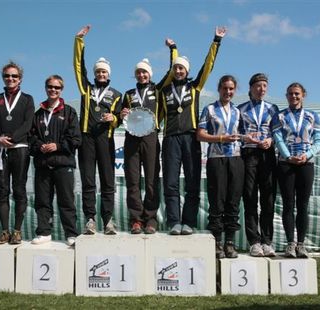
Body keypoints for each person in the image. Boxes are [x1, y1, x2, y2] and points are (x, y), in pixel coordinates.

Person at [159, 26, 227, 235]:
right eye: (176, 68)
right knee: (170, 183)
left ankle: (188, 222)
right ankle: (173, 222)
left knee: (192, 182)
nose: (178, 71)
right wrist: (173, 50)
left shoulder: (195, 87)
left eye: (182, 69)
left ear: (187, 71)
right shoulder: (164, 90)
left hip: (190, 138)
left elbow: (208, 66)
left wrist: (216, 41)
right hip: (170, 138)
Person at [119, 43, 176, 234]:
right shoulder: (128, 94)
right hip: (132, 139)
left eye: (145, 73)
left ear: (150, 74)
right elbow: (121, 115)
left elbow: (170, 72)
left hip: (151, 137)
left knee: (152, 180)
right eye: (139, 73)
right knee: (133, 180)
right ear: (135, 75)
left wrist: (172, 49)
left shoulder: (158, 91)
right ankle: (136, 219)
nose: (142, 75)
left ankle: (151, 218)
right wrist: (122, 113)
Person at [74, 25, 122, 235]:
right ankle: (90, 219)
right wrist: (79, 41)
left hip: (106, 139)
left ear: (108, 74)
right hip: (86, 139)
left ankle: (109, 220)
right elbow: (78, 67)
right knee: (88, 181)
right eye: (98, 71)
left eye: (104, 71)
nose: (101, 74)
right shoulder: (86, 88)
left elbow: (121, 118)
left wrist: (114, 118)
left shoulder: (117, 94)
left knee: (107, 182)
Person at [272, 82, 320, 258]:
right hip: (286, 164)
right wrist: (288, 156)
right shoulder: (279, 116)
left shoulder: (312, 116)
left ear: (303, 95)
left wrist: (307, 155)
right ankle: (290, 244)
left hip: (306, 164)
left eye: (296, 94)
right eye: (290, 94)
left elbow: (319, 140)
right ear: (286, 96)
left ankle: (301, 244)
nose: (293, 97)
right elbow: (278, 139)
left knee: (303, 205)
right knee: (288, 204)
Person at [0, 61, 35, 245]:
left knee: (19, 190)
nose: (11, 79)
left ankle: (17, 231)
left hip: (19, 148)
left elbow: (28, 123)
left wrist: (12, 138)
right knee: (2, 190)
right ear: (3, 78)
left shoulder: (27, 99)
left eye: (14, 76)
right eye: (7, 76)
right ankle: (4, 231)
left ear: (20, 78)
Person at [30, 75, 81, 246]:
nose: (53, 90)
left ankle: (71, 233)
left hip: (63, 163)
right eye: (50, 87)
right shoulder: (37, 114)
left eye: (57, 88)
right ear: (45, 88)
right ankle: (44, 232)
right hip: (43, 164)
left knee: (66, 201)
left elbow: (75, 139)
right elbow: (31, 138)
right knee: (42, 201)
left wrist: (57, 146)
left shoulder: (69, 112)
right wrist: (39, 146)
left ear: (61, 90)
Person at [197, 75, 244, 258]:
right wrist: (221, 138)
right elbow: (200, 135)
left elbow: (241, 135)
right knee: (217, 201)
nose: (228, 92)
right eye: (225, 88)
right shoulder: (209, 109)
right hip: (216, 158)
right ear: (219, 89)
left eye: (231, 89)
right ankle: (216, 242)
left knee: (233, 201)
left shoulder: (237, 111)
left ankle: (230, 242)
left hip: (235, 158)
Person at [237, 73, 279, 257]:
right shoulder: (240, 109)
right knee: (250, 198)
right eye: (258, 86)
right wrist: (247, 138)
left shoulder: (273, 108)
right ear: (251, 87)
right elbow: (236, 133)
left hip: (267, 154)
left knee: (268, 199)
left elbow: (278, 133)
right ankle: (254, 241)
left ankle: (267, 241)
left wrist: (270, 140)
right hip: (249, 154)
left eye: (264, 86)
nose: (261, 89)